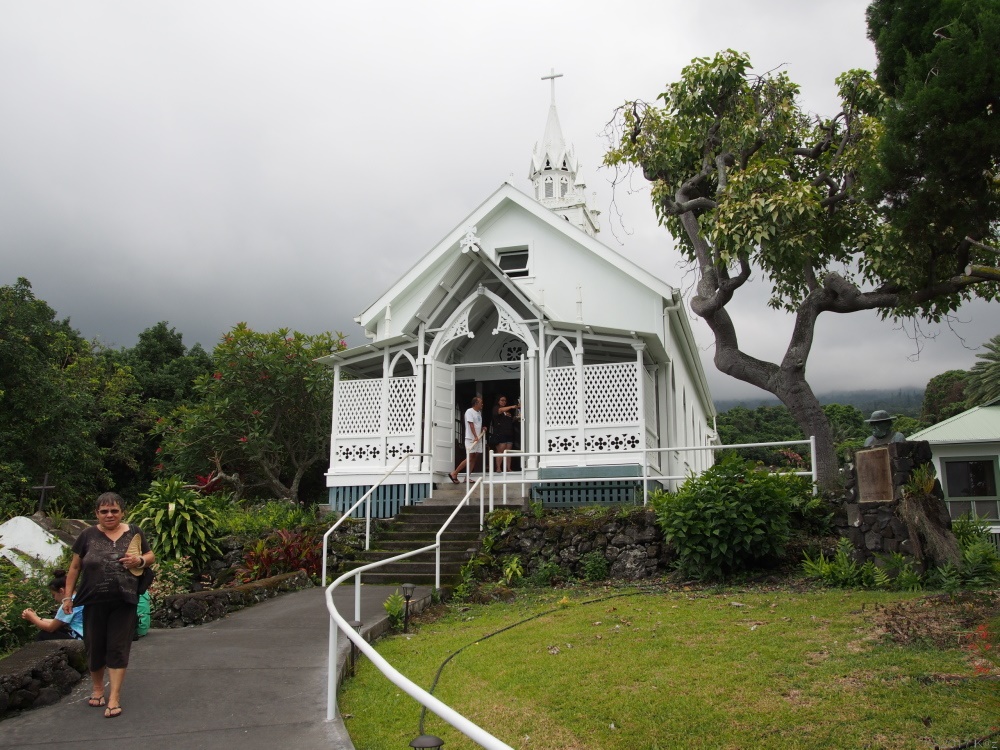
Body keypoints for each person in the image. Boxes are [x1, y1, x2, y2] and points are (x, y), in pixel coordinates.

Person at [62, 492, 154, 718]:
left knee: (118, 647)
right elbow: (75, 568)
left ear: (122, 512)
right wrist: (67, 597)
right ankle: (96, 688)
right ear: (97, 514)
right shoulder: (87, 535)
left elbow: (150, 555)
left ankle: (114, 696)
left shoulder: (134, 532)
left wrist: (139, 560)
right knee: (94, 646)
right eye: (104, 511)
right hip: (93, 601)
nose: (109, 515)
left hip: (124, 600)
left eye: (114, 510)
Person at [21, 569, 84, 641]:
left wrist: (32, 618)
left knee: (44, 635)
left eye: (54, 595)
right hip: (87, 635)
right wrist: (38, 618)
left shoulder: (68, 604)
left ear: (61, 591)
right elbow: (58, 622)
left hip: (80, 638)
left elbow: (51, 628)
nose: (55, 599)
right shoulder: (79, 598)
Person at [449, 396, 484, 483]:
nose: (482, 404)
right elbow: (471, 424)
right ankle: (454, 473)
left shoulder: (479, 413)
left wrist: (482, 429)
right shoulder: (469, 411)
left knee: (475, 457)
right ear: (476, 403)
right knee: (470, 457)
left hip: (478, 438)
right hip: (471, 438)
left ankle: (467, 477)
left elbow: (477, 425)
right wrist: (475, 436)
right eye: (480, 403)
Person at [490, 395, 519, 472]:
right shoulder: (496, 408)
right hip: (500, 433)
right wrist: (512, 406)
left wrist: (516, 418)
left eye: (505, 400)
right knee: (501, 450)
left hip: (509, 433)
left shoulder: (507, 412)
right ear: (498, 401)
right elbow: (499, 411)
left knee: (508, 451)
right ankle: (498, 468)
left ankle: (508, 468)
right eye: (502, 400)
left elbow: (510, 421)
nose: (503, 402)